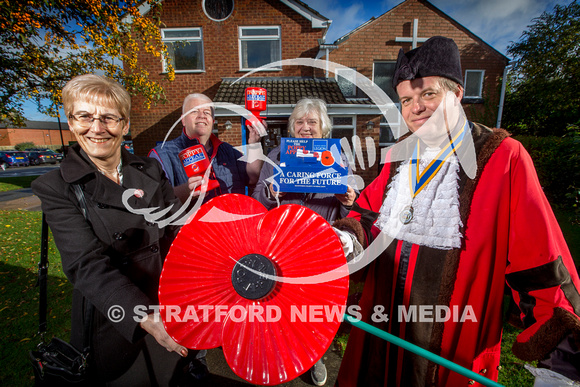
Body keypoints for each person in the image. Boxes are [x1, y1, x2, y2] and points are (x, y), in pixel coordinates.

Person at [333, 36, 580, 386]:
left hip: (451, 349)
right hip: (380, 334)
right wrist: (348, 237)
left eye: (428, 94)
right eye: (406, 99)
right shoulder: (398, 157)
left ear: (457, 93)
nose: (415, 107)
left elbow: (540, 260)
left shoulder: (504, 157)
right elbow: (368, 216)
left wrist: (563, 361)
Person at [31, 74, 191, 386]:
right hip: (115, 318)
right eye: (84, 117)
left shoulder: (150, 170)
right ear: (70, 121)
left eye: (108, 117)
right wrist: (144, 317)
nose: (97, 128)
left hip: (168, 304)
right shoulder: (55, 187)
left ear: (126, 124)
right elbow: (86, 266)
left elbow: (176, 231)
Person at [253, 97, 357, 386]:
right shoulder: (276, 154)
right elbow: (257, 200)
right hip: (282, 244)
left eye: (312, 122)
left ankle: (314, 356)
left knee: (315, 306)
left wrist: (348, 201)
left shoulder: (338, 157)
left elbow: (347, 210)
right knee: (280, 302)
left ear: (323, 129)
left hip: (319, 243)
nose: (306, 127)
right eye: (300, 122)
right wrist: (271, 192)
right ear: (292, 127)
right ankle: (279, 352)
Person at [149, 93, 264, 204]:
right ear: (183, 120)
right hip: (190, 223)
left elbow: (252, 178)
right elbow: (154, 199)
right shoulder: (162, 154)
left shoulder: (229, 151)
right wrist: (186, 191)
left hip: (231, 222)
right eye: (194, 111)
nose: (201, 116)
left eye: (207, 112)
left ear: (213, 122)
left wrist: (254, 144)